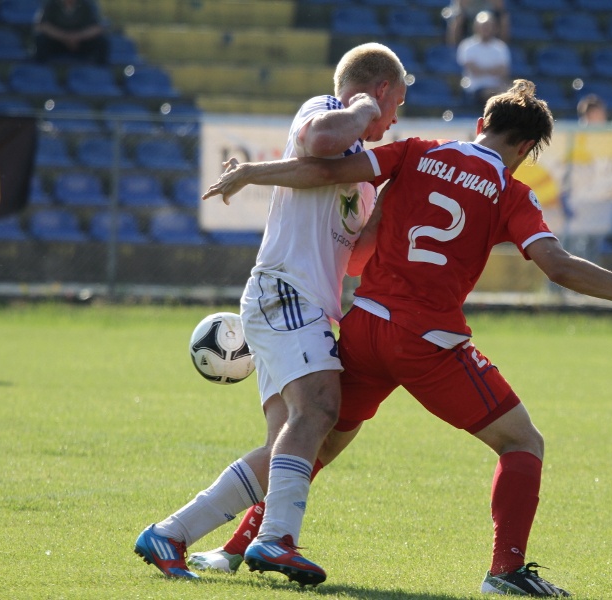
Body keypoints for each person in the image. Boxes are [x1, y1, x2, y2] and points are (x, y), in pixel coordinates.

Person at [202, 79, 612, 597]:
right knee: (522, 442)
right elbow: (560, 268)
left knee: (315, 439)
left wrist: (254, 173)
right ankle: (505, 573)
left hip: (365, 325)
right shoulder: (510, 191)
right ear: (526, 149)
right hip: (427, 342)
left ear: (481, 124)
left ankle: (237, 548)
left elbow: (326, 170)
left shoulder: (418, 151)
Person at [133, 42, 407, 586]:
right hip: (284, 290)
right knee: (322, 408)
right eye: (395, 101)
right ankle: (277, 539)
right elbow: (316, 141)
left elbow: (352, 256)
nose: (395, 115)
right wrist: (364, 111)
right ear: (378, 91)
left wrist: (388, 208)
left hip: (301, 301)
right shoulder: (326, 109)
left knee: (288, 440)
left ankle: (170, 534)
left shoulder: (362, 169)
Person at [457, 11, 512, 112]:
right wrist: (494, 70)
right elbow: (474, 70)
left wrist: (483, 70)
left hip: (498, 87)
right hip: (475, 88)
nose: (485, 29)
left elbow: (504, 71)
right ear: (476, 27)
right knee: (493, 94)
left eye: (488, 26)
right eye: (483, 26)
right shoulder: (467, 46)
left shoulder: (500, 47)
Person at [33, 0, 109, 65]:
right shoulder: (51, 4)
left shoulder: (87, 4)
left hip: (81, 43)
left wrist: (77, 37)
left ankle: (98, 72)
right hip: (57, 43)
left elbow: (97, 27)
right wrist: (66, 37)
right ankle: (41, 71)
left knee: (102, 41)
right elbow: (42, 26)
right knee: (40, 39)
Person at [445, 0, 511, 46]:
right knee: (457, 19)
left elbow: (500, 8)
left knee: (504, 19)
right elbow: (460, 6)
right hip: (468, 18)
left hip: (489, 17)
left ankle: (502, 47)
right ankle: (453, 47)